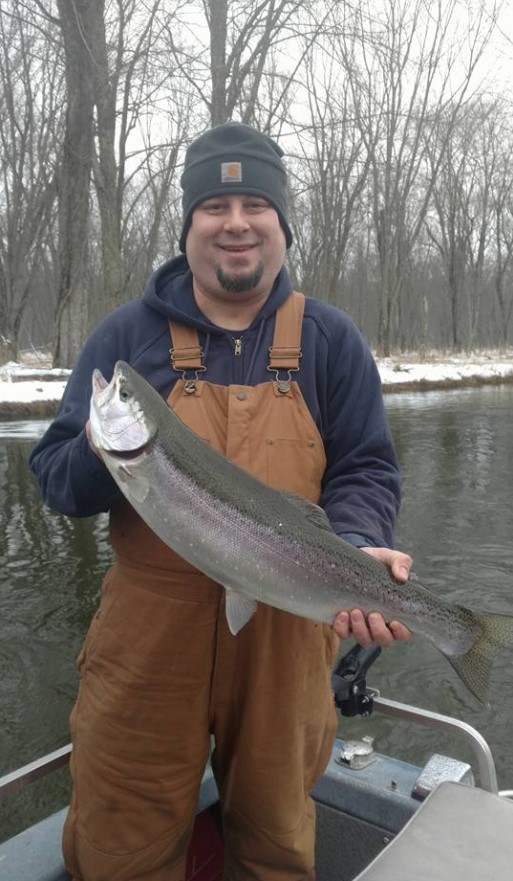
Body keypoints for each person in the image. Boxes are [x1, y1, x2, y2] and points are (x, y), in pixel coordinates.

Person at [30, 122, 412, 881]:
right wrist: (113, 454)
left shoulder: (329, 341)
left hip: (288, 623)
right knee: (121, 844)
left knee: (275, 838)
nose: (235, 223)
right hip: (145, 642)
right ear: (188, 226)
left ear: (280, 223)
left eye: (253, 205)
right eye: (213, 205)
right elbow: (55, 478)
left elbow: (365, 469)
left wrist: (360, 540)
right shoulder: (126, 336)